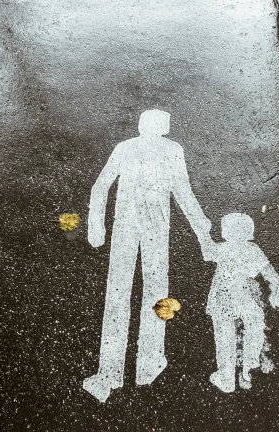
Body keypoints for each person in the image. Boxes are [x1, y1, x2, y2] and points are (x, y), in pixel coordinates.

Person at [84, 109, 212, 403]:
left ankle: (138, 365)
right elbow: (102, 186)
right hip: (134, 229)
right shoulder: (134, 149)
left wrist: (201, 229)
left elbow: (181, 191)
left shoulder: (159, 149)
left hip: (145, 229)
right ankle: (123, 369)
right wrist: (96, 226)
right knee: (134, 293)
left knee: (135, 293)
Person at [204, 213, 279, 393]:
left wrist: (203, 233)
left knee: (225, 336)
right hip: (241, 297)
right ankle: (250, 365)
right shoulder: (253, 250)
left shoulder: (224, 249)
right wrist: (275, 291)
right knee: (255, 320)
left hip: (222, 298)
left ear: (228, 232)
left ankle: (226, 376)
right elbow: (269, 273)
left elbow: (207, 252)